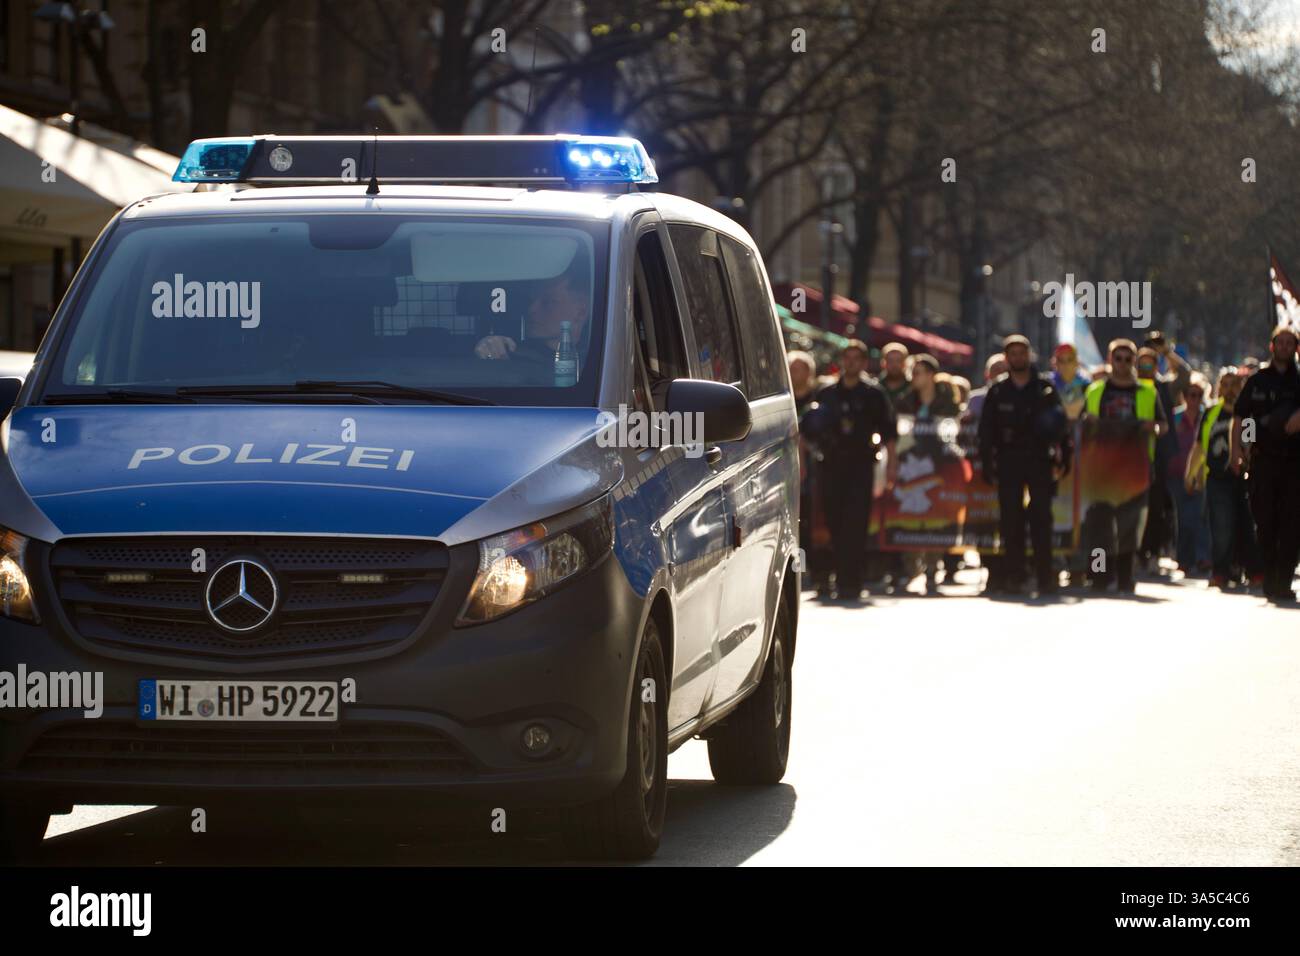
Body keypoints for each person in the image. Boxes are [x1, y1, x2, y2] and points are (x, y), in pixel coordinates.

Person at [802, 340, 898, 600]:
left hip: (860, 466)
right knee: (831, 521)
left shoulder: (873, 394)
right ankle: (827, 577)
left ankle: (851, 582)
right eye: (848, 358)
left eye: (857, 358)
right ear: (842, 361)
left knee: (855, 524)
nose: (852, 363)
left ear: (865, 363)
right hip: (830, 464)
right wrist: (802, 461)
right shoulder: (827, 392)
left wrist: (891, 467)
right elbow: (807, 429)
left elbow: (889, 433)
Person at [977, 334, 1071, 596]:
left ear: (1029, 355)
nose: (1018, 358)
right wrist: (987, 463)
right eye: (1013, 353)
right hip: (1008, 461)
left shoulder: (1045, 389)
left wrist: (1065, 457)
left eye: (1022, 353)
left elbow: (1062, 428)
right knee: (1011, 521)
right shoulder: (998, 391)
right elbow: (986, 432)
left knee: (1041, 518)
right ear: (1007, 358)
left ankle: (1044, 577)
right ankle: (1014, 575)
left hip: (1039, 460)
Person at [1081, 338, 1167, 593]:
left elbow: (1163, 426)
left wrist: (1155, 428)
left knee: (1129, 527)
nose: (1122, 363)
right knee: (1099, 528)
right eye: (1117, 358)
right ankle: (1098, 576)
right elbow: (1083, 427)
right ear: (1110, 360)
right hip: (1101, 469)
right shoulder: (1095, 390)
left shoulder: (1148, 392)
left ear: (1134, 361)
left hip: (1135, 469)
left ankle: (1125, 578)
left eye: (1128, 359)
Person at [1231, 324, 1300, 602]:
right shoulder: (1258, 380)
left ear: (1296, 348)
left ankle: (1283, 580)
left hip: (1295, 464)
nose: (1284, 347)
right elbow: (1242, 417)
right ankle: (1269, 575)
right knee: (1266, 522)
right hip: (1263, 463)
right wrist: (1240, 449)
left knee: (1292, 524)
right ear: (1272, 346)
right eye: (1280, 342)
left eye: (1290, 343)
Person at [1186, 368, 1259, 589]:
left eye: (1234, 384)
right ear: (1219, 388)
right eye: (1225, 384)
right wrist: (1191, 473)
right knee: (1221, 527)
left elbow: (1251, 442)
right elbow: (1199, 445)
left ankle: (1254, 570)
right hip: (1218, 478)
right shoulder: (1211, 413)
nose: (1229, 389)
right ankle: (1220, 572)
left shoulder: (1248, 413)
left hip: (1245, 478)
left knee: (1248, 526)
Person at [898, 354, 962, 592]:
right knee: (912, 515)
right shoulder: (906, 401)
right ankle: (910, 568)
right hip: (912, 466)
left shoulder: (947, 402)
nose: (913, 377)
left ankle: (934, 569)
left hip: (940, 466)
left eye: (918, 372)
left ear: (931, 375)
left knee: (936, 517)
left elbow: (954, 432)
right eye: (912, 372)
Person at [474, 264, 591, 373]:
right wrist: (490, 351)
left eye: (548, 302)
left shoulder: (599, 364)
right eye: (531, 300)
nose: (531, 309)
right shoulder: (512, 354)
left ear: (580, 313)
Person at [1166, 372, 1208, 575]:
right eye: (1191, 394)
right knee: (1182, 518)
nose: (1195, 399)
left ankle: (1201, 558)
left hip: (1199, 474)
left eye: (1199, 395)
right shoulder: (1174, 417)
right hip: (1175, 475)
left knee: (1198, 517)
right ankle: (1184, 559)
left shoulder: (1206, 416)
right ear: (1185, 395)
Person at [1050, 343, 1092, 420]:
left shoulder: (1088, 386)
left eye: (1070, 360)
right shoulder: (1048, 385)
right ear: (1055, 363)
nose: (1066, 364)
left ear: (1076, 362)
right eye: (1061, 360)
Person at [879, 342, 912, 408]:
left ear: (905, 363)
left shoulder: (912, 388)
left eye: (898, 360)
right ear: (883, 363)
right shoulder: (876, 386)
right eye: (890, 360)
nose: (894, 365)